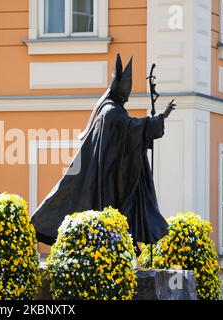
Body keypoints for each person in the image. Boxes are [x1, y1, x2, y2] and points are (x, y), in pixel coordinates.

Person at [31, 53, 176, 249]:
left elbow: (129, 132)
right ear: (119, 91)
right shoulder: (111, 112)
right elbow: (131, 128)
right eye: (126, 92)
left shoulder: (112, 110)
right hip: (105, 179)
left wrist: (152, 125)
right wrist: (157, 120)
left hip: (110, 175)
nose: (127, 96)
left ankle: (122, 243)